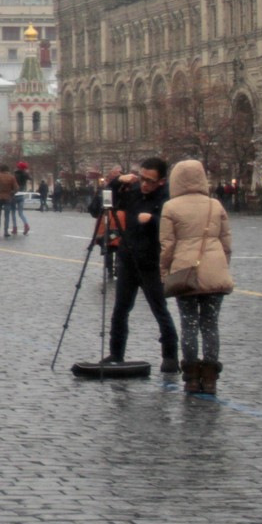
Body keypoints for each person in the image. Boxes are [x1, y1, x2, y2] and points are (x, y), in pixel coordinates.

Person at [158, 158, 233, 394]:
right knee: (210, 325)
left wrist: (164, 271)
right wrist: (221, 265)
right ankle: (210, 378)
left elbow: (167, 245)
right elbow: (226, 243)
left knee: (189, 324)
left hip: (185, 271)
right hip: (214, 271)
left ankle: (191, 377)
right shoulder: (215, 205)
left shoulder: (170, 207)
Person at [105, 158, 180, 374]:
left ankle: (170, 356)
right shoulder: (134, 191)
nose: (144, 184)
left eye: (150, 180)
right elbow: (99, 205)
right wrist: (117, 181)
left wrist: (154, 220)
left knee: (159, 310)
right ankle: (116, 353)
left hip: (151, 262)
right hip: (128, 259)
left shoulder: (167, 199)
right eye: (142, 178)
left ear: (162, 181)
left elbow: (173, 228)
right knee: (120, 310)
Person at [0, 164, 19, 237]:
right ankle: (6, 231)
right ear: (8, 170)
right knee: (7, 215)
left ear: (0, 170)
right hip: (8, 197)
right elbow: (16, 188)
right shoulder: (12, 177)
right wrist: (12, 193)